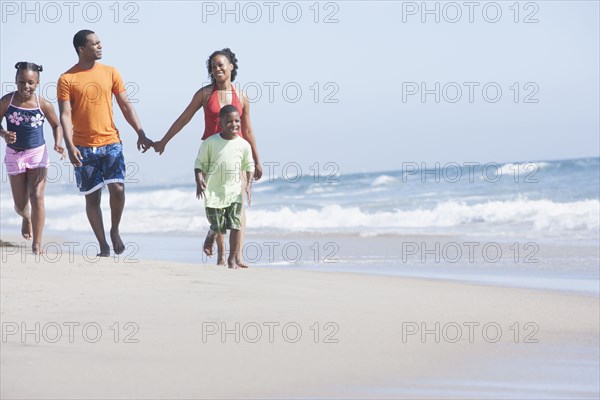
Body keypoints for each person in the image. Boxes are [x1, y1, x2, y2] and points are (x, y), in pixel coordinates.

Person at [154, 48, 262, 265]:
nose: (217, 69)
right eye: (213, 67)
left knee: (237, 204)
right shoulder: (204, 94)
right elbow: (184, 118)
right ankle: (221, 253)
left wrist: (257, 160)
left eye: (221, 65)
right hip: (212, 156)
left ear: (231, 66)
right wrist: (163, 141)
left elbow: (248, 130)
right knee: (219, 205)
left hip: (236, 155)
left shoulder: (241, 96)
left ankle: (237, 255)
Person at [57, 29, 153, 257]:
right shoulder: (66, 79)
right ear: (82, 48)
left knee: (118, 188)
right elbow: (65, 115)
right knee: (92, 197)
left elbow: (125, 104)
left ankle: (115, 230)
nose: (100, 46)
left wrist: (140, 132)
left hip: (111, 141)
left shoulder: (110, 72)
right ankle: (102, 244)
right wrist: (69, 146)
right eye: (95, 43)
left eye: (100, 43)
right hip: (82, 146)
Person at [0, 62, 65, 254]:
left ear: (37, 83)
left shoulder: (43, 104)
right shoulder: (6, 101)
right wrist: (4, 134)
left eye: (30, 83)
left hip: (37, 153)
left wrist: (58, 143)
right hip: (14, 154)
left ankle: (37, 243)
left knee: (37, 196)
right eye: (21, 82)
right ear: (15, 81)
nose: (25, 87)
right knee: (20, 205)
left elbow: (56, 125)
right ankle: (26, 217)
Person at [195, 105, 254, 269]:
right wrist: (199, 180)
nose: (234, 124)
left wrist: (248, 185)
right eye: (229, 122)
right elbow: (199, 164)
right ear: (220, 123)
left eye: (237, 121)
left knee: (235, 224)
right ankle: (211, 234)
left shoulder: (244, 145)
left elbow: (249, 166)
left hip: (234, 191)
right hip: (214, 192)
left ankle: (232, 259)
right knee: (219, 225)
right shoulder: (210, 143)